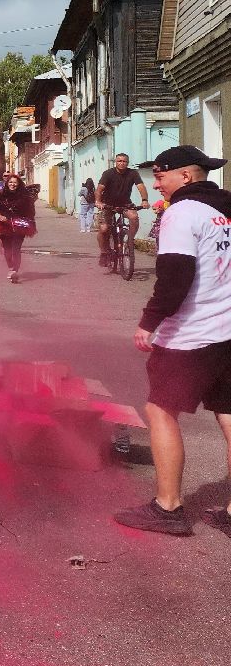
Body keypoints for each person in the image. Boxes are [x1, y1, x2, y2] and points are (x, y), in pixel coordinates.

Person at [115, 146, 231, 537]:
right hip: (229, 332)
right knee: (229, 414)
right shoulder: (226, 210)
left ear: (185, 176)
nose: (156, 184)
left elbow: (174, 279)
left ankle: (168, 507)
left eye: (161, 175)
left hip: (190, 335)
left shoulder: (182, 213)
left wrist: (148, 323)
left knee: (160, 410)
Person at [97, 152, 150, 267]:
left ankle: (129, 241)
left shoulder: (133, 173)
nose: (122, 163)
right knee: (104, 228)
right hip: (107, 205)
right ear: (115, 162)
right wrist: (98, 201)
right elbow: (99, 189)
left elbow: (141, 186)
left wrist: (144, 200)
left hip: (125, 203)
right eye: (119, 161)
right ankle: (104, 252)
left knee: (134, 216)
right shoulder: (108, 173)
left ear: (128, 163)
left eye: (124, 161)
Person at [0, 173, 36, 283]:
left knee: (16, 249)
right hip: (4, 225)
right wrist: (0, 217)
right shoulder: (1, 195)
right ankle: (11, 267)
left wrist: (27, 220)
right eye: (10, 182)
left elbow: (31, 212)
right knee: (7, 250)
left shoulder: (25, 197)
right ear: (7, 183)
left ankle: (14, 271)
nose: (13, 184)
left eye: (15, 182)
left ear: (19, 184)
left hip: (19, 226)